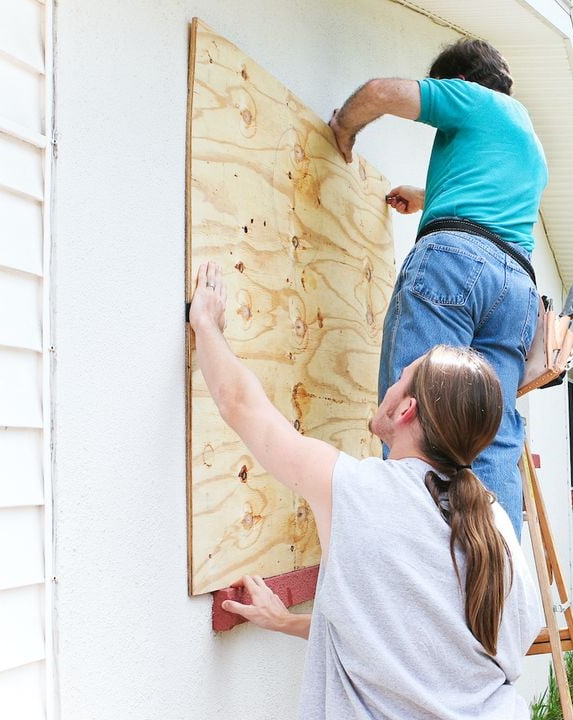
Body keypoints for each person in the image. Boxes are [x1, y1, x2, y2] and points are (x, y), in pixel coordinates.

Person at [189, 262, 542, 719]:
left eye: (399, 378)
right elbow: (411, 644)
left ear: (406, 409)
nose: (389, 386)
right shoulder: (491, 519)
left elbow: (241, 405)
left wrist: (206, 324)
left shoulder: (356, 491)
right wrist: (286, 622)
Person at [328, 38, 549, 536]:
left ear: (460, 81)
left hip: (455, 266)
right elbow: (486, 200)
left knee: (417, 413)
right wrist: (425, 196)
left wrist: (343, 128)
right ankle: (491, 588)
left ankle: (416, 571)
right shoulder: (529, 144)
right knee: (488, 428)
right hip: (516, 289)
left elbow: (382, 92)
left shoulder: (473, 99)